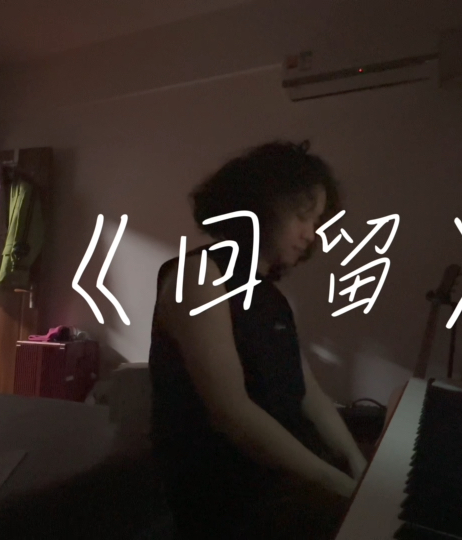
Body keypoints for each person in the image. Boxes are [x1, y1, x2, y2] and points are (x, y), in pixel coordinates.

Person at [148, 140, 368, 539]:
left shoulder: (271, 297)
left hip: (277, 477)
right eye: (302, 217)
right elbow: (231, 414)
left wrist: (356, 460)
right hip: (228, 492)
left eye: (317, 221)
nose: (311, 234)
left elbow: (308, 392)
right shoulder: (198, 276)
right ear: (258, 208)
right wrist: (341, 487)